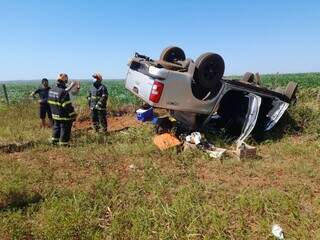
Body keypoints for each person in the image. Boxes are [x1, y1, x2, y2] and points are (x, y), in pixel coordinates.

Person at [48, 73, 76, 146]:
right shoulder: (63, 92)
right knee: (65, 129)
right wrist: (73, 114)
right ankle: (64, 144)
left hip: (55, 115)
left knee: (56, 127)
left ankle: (54, 141)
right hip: (63, 116)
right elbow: (67, 105)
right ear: (64, 82)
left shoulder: (51, 90)